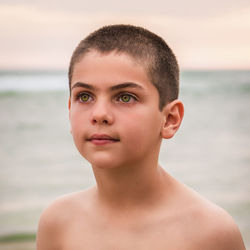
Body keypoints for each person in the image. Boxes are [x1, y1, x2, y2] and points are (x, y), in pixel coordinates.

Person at [36, 24, 245, 250]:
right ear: (69, 110)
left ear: (170, 119)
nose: (99, 114)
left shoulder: (210, 233)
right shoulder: (58, 223)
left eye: (125, 97)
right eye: (85, 97)